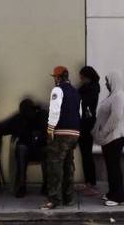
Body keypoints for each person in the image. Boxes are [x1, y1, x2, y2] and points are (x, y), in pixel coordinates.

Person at [42, 66, 81, 210]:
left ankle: (54, 199)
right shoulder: (76, 92)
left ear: (58, 78)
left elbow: (54, 110)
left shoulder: (57, 90)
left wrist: (50, 129)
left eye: (54, 77)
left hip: (61, 133)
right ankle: (68, 197)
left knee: (55, 166)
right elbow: (80, 113)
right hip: (74, 133)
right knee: (68, 166)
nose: (54, 80)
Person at [0, 99, 49, 197]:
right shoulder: (19, 119)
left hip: (40, 148)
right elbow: (3, 128)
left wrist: (39, 137)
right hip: (26, 150)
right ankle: (21, 186)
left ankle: (46, 185)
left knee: (45, 150)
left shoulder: (42, 115)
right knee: (21, 149)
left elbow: (48, 132)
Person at [93, 70, 124, 207]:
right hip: (110, 137)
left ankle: (119, 197)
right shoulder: (113, 95)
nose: (106, 83)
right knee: (110, 166)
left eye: (107, 81)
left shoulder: (119, 96)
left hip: (115, 137)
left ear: (113, 81)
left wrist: (103, 133)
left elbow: (115, 118)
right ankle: (112, 192)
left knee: (114, 167)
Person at [77, 66, 101, 195]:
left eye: (82, 77)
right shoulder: (89, 87)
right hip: (85, 124)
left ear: (88, 76)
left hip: (87, 125)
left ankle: (91, 184)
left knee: (87, 155)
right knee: (85, 154)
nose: (80, 79)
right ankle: (88, 183)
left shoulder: (92, 89)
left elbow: (83, 103)